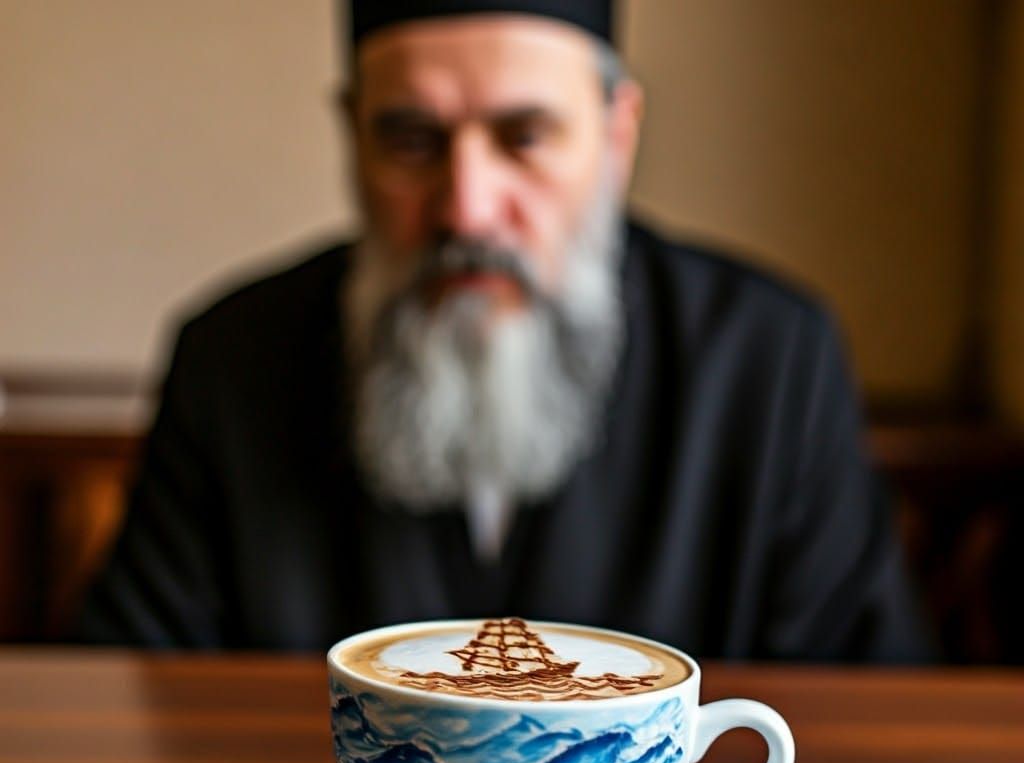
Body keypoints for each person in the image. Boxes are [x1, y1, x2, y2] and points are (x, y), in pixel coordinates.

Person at [76, 0, 931, 660]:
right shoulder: (231, 361)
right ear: (352, 137)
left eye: (523, 137)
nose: (468, 208)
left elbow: (868, 716)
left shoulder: (771, 362)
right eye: (413, 142)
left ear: (617, 136)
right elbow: (131, 691)